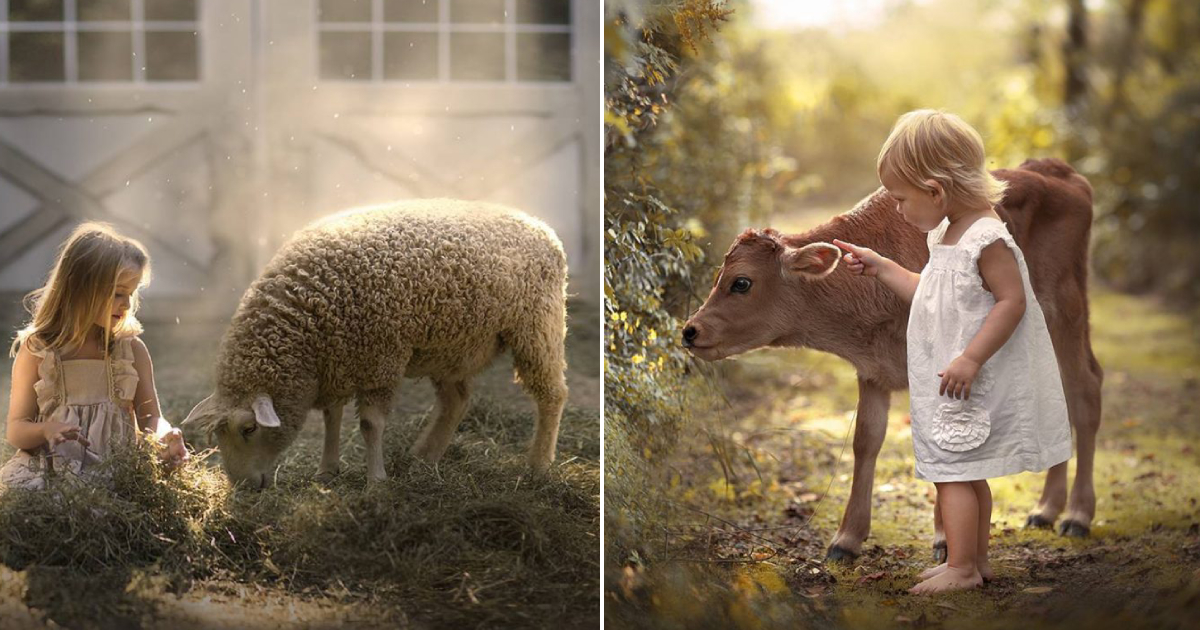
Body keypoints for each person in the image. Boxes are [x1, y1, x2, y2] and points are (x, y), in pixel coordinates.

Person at [834, 110, 1072, 594]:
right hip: (954, 379)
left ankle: (961, 567)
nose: (897, 210)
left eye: (901, 198)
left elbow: (1012, 302)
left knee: (953, 474)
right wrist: (883, 268)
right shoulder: (947, 233)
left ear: (935, 190)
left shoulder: (986, 237)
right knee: (966, 470)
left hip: (967, 379)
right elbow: (933, 292)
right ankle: (974, 560)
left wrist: (971, 359)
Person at [2, 222, 188, 490]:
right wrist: (46, 430)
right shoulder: (39, 352)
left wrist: (164, 435)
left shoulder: (130, 351)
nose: (126, 304)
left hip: (117, 472)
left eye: (131, 294)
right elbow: (16, 430)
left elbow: (150, 418)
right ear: (79, 289)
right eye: (118, 293)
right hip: (54, 472)